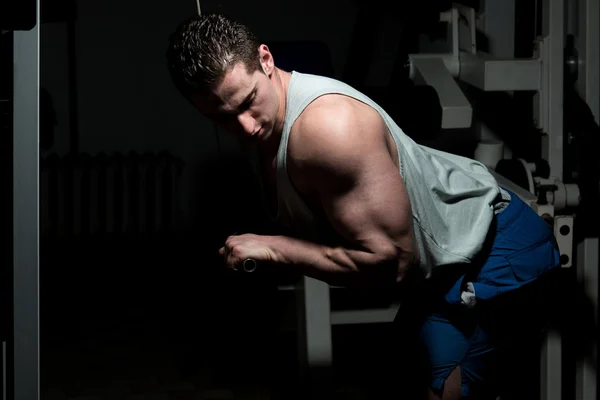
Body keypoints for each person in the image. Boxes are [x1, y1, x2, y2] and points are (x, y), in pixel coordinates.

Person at [165, 12, 562, 400]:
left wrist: (275, 250)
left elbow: (393, 263)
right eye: (223, 118)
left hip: (497, 253)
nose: (246, 127)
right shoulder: (267, 123)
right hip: (444, 268)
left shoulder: (329, 129)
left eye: (248, 101)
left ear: (266, 61)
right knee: (398, 376)